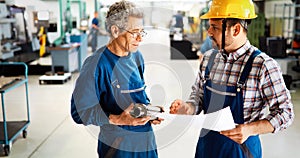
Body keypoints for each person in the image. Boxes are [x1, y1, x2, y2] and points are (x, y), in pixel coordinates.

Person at [169, 0, 294, 157]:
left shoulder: (263, 65)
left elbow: (285, 113)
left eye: (214, 27)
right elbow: (199, 96)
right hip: (207, 147)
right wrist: (187, 108)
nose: (209, 32)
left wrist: (250, 129)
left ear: (236, 30)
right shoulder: (209, 59)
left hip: (240, 150)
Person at [71, 1, 163, 157]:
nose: (140, 38)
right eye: (134, 32)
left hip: (146, 143)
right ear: (115, 31)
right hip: (118, 147)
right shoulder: (97, 65)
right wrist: (118, 119)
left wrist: (148, 111)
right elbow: (79, 113)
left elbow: (137, 94)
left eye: (142, 31)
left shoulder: (136, 56)